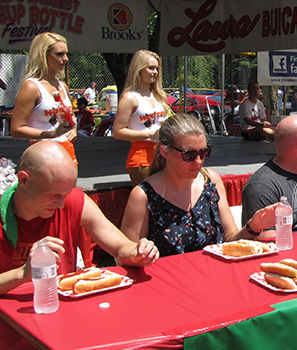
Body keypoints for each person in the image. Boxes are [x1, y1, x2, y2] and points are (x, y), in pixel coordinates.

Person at [0, 141, 159, 295]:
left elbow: (120, 247)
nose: (62, 204)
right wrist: (22, 274)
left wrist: (138, 252)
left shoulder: (74, 200)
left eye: (66, 193)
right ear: (24, 180)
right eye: (53, 195)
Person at [121, 114, 276, 257]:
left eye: (203, 153)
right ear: (164, 152)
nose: (198, 161)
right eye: (188, 155)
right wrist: (140, 252)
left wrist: (253, 226)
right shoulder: (144, 195)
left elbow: (230, 239)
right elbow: (124, 256)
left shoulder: (211, 180)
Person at [10, 32, 78, 164]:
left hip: (68, 152)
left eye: (66, 53)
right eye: (59, 54)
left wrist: (73, 128)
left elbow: (71, 116)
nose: (66, 58)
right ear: (43, 56)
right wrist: (51, 134)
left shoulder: (62, 85)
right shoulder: (32, 86)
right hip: (42, 154)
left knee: (71, 185)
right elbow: (16, 130)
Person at [113, 50, 170, 186]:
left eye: (157, 68)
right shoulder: (130, 97)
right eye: (150, 68)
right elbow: (118, 132)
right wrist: (149, 134)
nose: (155, 72)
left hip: (163, 153)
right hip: (141, 156)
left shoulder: (159, 95)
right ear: (139, 68)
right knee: (147, 201)